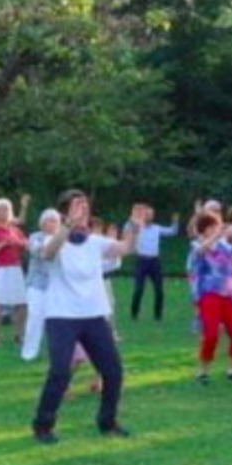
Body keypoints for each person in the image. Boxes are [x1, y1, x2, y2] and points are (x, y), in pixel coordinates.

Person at [31, 190, 142, 444]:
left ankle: (108, 422)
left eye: (85, 206)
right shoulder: (50, 238)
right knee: (60, 372)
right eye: (77, 205)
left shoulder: (95, 241)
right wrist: (67, 225)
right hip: (61, 316)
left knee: (113, 371)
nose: (83, 210)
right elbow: (48, 253)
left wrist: (134, 226)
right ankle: (42, 426)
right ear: (64, 212)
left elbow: (126, 248)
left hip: (93, 316)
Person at [188, 210, 232, 384]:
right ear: (204, 229)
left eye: (217, 226)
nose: (216, 229)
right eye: (212, 226)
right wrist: (217, 236)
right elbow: (201, 251)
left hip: (227, 295)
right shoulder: (196, 245)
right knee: (211, 335)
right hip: (208, 295)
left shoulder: (224, 245)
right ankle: (202, 371)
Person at [0, 198, 28, 347]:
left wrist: (20, 243)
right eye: (0, 209)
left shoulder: (15, 230)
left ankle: (19, 335)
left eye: (6, 209)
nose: (3, 212)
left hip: (15, 268)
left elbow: (25, 244)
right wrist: (4, 243)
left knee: (21, 304)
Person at [21, 209, 61, 362]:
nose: (52, 223)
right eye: (49, 220)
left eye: (55, 221)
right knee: (35, 317)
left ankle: (57, 352)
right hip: (37, 284)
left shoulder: (63, 238)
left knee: (57, 320)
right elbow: (41, 252)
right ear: (42, 223)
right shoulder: (34, 237)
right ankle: (29, 353)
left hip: (57, 285)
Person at [128, 204, 180, 322]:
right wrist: (136, 215)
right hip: (141, 261)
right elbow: (130, 224)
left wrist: (175, 222)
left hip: (154, 262)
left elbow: (172, 232)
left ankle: (158, 315)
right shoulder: (137, 227)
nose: (149, 216)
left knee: (159, 290)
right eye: (147, 214)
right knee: (138, 289)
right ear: (143, 215)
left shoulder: (157, 228)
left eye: (151, 214)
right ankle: (134, 313)